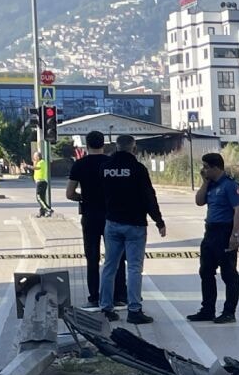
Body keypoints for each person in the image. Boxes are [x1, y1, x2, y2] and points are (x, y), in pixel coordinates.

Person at [99, 135, 166, 324]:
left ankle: (106, 308)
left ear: (117, 147)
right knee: (135, 268)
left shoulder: (105, 168)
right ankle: (134, 310)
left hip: (112, 222)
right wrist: (158, 221)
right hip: (135, 224)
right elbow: (148, 197)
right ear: (133, 148)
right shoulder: (138, 169)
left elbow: (100, 193)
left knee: (109, 267)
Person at [66, 130, 127, 307]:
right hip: (112, 215)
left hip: (90, 215)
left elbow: (70, 193)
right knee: (116, 256)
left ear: (87, 144)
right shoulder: (112, 163)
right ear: (103, 144)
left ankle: (94, 295)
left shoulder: (79, 165)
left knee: (92, 257)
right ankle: (119, 295)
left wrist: (83, 198)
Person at [187, 153, 239, 324]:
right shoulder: (210, 185)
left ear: (216, 167)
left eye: (206, 167)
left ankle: (229, 312)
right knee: (205, 271)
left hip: (225, 231)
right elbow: (199, 201)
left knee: (228, 274)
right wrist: (205, 183)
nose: (203, 170)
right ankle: (207, 309)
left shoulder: (230, 185)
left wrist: (235, 234)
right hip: (210, 232)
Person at [32, 151, 53, 217]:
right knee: (42, 198)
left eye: (35, 157)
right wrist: (34, 162)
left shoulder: (41, 162)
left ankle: (48, 209)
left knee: (39, 198)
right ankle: (42, 212)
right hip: (42, 182)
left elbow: (35, 168)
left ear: (38, 157)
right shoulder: (40, 162)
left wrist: (27, 166)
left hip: (41, 182)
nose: (34, 158)